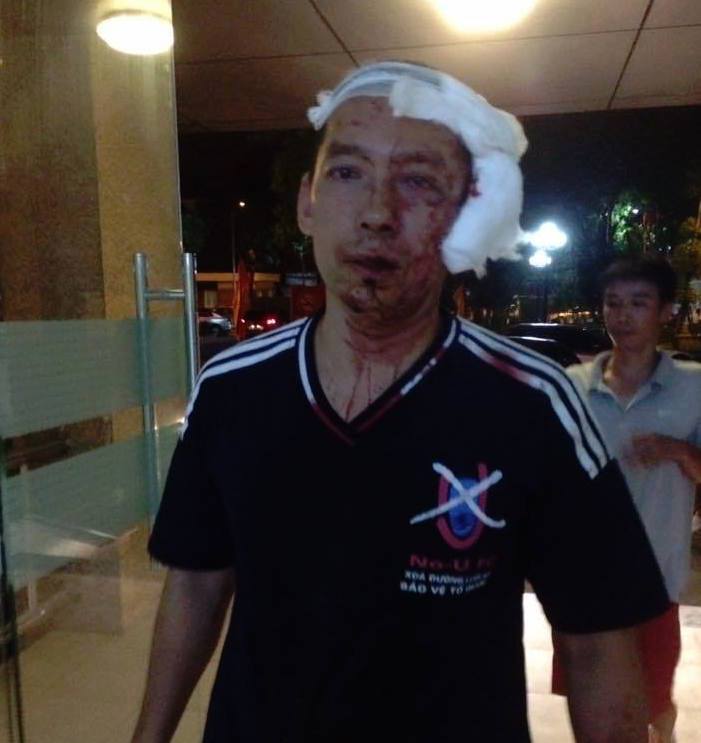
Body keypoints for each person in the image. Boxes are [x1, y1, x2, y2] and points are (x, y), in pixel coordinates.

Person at [132, 62, 669, 743]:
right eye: (347, 172)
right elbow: (196, 584)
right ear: (307, 203)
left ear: (466, 215)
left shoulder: (533, 402)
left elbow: (596, 644)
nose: (377, 213)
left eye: (418, 182)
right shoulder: (232, 388)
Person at [552, 255, 701, 743]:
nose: (623, 315)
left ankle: (663, 722)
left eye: (639, 303)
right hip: (582, 575)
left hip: (655, 574)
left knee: (649, 698)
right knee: (590, 703)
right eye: (613, 303)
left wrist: (679, 450)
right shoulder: (572, 387)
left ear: (666, 311)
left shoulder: (693, 387)